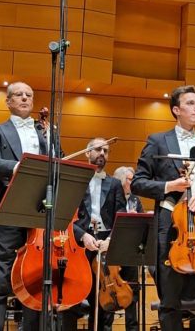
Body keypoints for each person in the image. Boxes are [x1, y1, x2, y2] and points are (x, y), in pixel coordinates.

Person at [132, 85, 195, 331]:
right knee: (170, 301)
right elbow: (138, 183)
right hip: (170, 227)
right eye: (190, 103)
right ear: (176, 110)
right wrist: (169, 186)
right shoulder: (157, 141)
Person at [0, 81, 49, 331]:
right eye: (18, 94)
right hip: (7, 211)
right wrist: (17, 167)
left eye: (29, 95)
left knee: (35, 281)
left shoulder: (44, 133)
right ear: (8, 101)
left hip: (38, 213)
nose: (25, 98)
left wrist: (51, 141)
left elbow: (58, 163)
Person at [66, 137, 126, 331]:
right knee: (72, 297)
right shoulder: (76, 180)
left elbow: (121, 216)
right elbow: (66, 216)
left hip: (105, 244)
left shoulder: (115, 184)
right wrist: (82, 235)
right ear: (87, 153)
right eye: (98, 149)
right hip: (79, 245)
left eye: (106, 151)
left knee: (103, 301)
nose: (102, 154)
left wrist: (110, 239)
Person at [113, 165, 145, 331]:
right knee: (111, 292)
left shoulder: (135, 199)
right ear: (120, 180)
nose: (134, 183)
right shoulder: (111, 196)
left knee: (132, 292)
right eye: (130, 180)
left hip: (131, 251)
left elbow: (142, 219)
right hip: (113, 251)